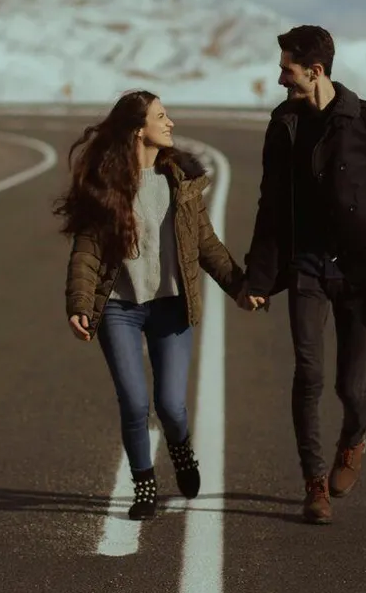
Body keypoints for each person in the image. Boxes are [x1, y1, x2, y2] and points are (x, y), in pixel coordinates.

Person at [241, 25, 366, 525]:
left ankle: (355, 437)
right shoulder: (284, 123)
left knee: (350, 387)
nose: (281, 79)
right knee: (309, 374)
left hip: (360, 266)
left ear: (315, 71)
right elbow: (271, 203)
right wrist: (259, 279)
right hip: (307, 266)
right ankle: (314, 484)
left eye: (287, 69)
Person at [54, 90, 246, 521]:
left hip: (171, 307)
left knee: (172, 405)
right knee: (135, 402)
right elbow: (85, 252)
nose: (170, 123)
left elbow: (205, 243)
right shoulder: (105, 187)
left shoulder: (180, 181)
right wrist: (79, 304)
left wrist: (240, 287)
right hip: (120, 308)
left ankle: (181, 450)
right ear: (139, 129)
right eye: (161, 116)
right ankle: (144, 486)